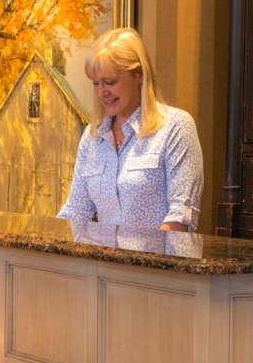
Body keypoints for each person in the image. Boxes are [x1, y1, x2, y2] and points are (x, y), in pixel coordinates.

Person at [57, 27, 202, 236]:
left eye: (110, 82)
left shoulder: (176, 127)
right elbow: (76, 211)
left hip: (157, 267)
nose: (101, 92)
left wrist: (139, 263)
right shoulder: (92, 137)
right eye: (96, 83)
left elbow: (180, 216)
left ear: (139, 75)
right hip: (104, 267)